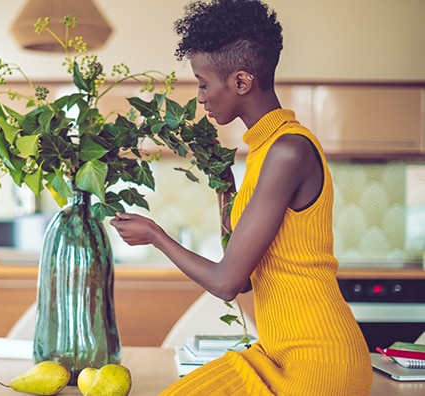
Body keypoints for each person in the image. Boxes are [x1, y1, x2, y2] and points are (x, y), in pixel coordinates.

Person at [109, 0, 373, 394]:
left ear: (241, 82)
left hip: (317, 361)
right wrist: (225, 191)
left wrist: (156, 236)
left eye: (202, 82)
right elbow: (249, 279)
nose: (199, 97)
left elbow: (227, 282)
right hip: (277, 354)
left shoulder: (287, 150)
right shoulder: (264, 152)